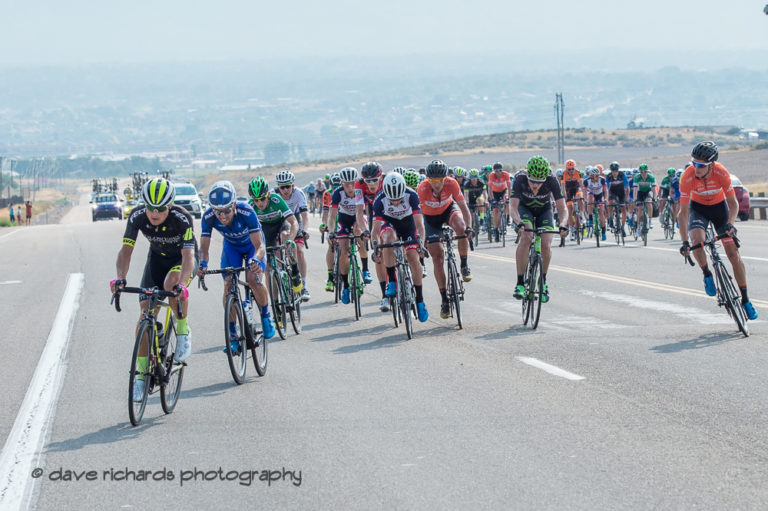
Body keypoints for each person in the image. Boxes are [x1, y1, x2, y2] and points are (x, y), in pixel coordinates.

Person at [111, 178, 197, 400]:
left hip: (181, 261)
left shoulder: (182, 219)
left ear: (170, 205)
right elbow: (125, 251)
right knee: (144, 314)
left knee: (171, 285)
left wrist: (183, 285)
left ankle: (183, 329)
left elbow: (188, 257)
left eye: (160, 208)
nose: (154, 213)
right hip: (157, 261)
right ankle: (140, 376)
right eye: (150, 207)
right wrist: (120, 278)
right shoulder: (138, 216)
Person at [679, 141, 758, 320]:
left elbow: (733, 203)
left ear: (712, 165)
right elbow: (683, 213)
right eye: (694, 163)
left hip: (719, 209)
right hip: (698, 209)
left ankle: (745, 299)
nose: (696, 168)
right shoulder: (687, 176)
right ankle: (707, 273)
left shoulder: (721, 172)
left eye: (701, 165)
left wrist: (730, 224)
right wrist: (684, 242)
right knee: (697, 241)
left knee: (733, 255)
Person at [198, 180, 275, 346]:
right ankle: (232, 333)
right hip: (231, 248)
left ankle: (265, 315)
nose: (222, 216)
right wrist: (202, 263)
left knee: (253, 279)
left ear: (233, 205)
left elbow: (260, 245)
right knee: (228, 285)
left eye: (226, 211)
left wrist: (256, 259)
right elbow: (203, 248)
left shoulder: (246, 211)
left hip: (251, 247)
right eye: (218, 212)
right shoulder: (208, 217)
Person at [417, 160, 474, 319]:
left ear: (445, 178)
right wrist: (422, 240)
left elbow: (464, 208)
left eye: (440, 180)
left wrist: (469, 227)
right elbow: (418, 218)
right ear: (428, 179)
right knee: (438, 257)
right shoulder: (421, 189)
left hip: (448, 210)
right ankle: (444, 300)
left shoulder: (452, 183)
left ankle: (464, 265)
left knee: (462, 228)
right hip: (430, 219)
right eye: (433, 181)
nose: (436, 184)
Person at [370, 172, 429, 322]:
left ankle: (420, 300)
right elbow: (375, 230)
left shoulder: (412, 195)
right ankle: (392, 280)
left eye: (398, 199)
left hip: (408, 225)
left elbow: (420, 226)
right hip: (390, 225)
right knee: (388, 240)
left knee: (413, 257)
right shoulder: (379, 199)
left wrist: (420, 245)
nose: (395, 203)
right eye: (392, 200)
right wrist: (376, 248)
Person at [510, 156, 569, 302]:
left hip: (544, 209)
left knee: (546, 244)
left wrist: (563, 224)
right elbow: (512, 207)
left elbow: (562, 208)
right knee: (526, 237)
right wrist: (518, 222)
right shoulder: (520, 179)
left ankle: (542, 282)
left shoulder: (552, 180)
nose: (535, 186)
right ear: (527, 175)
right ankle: (520, 283)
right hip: (525, 209)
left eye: (539, 182)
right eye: (532, 181)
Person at [247, 176, 301, 299]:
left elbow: (294, 222)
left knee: (285, 237)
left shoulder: (276, 200)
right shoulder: (250, 206)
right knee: (267, 269)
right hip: (266, 228)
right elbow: (248, 231)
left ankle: (295, 271)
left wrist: (290, 239)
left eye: (262, 199)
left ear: (268, 195)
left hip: (281, 223)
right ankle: (276, 305)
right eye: (256, 200)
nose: (259, 203)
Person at [326, 167, 365, 305]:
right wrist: (331, 232)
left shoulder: (359, 192)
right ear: (342, 183)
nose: (349, 187)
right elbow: (332, 216)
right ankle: (346, 287)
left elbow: (362, 215)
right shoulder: (338, 193)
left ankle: (365, 269)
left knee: (358, 232)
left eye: (352, 183)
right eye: (346, 184)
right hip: (343, 220)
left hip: (357, 219)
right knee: (343, 249)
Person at [355, 162, 388, 311]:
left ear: (381, 177)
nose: (372, 184)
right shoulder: (359, 185)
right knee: (378, 252)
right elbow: (359, 211)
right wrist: (364, 230)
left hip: (389, 211)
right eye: (368, 181)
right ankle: (385, 295)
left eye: (375, 180)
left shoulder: (387, 182)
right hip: (373, 214)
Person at [274, 170, 311, 302]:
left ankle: (304, 285)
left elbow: (305, 216)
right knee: (277, 250)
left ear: (293, 186)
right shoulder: (273, 195)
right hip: (279, 221)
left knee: (300, 251)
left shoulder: (298, 193)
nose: (285, 190)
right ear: (278, 187)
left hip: (294, 219)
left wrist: (305, 230)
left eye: (287, 186)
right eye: (282, 187)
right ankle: (281, 277)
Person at [319, 173, 341, 292]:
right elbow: (325, 213)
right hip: (333, 219)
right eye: (334, 187)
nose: (336, 190)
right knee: (331, 243)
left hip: (344, 218)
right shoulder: (327, 193)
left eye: (338, 186)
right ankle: (330, 277)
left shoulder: (346, 192)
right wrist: (324, 225)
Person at [583, 167, 608, 241]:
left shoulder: (602, 179)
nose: (596, 177)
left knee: (601, 213)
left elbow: (605, 190)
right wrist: (585, 199)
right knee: (590, 198)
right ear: (591, 176)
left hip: (599, 195)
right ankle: (590, 217)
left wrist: (606, 199)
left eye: (597, 175)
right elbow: (584, 191)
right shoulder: (587, 181)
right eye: (595, 176)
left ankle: (603, 232)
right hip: (591, 194)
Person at [487, 162, 510, 242]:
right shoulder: (491, 176)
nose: (498, 172)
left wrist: (509, 198)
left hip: (504, 190)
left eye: (500, 170)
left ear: (502, 170)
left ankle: (507, 217)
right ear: (494, 171)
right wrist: (492, 199)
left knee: (507, 200)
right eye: (496, 171)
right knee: (496, 211)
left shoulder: (506, 174)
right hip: (495, 193)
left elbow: (509, 187)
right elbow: (489, 189)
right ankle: (496, 229)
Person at [633, 163, 656, 230]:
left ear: (647, 171)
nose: (643, 174)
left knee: (649, 202)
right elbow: (635, 189)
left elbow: (654, 189)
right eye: (642, 172)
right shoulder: (636, 177)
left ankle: (650, 220)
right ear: (640, 172)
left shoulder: (651, 177)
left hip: (647, 191)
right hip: (639, 192)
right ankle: (638, 226)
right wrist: (635, 199)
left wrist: (654, 198)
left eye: (645, 172)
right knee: (640, 208)